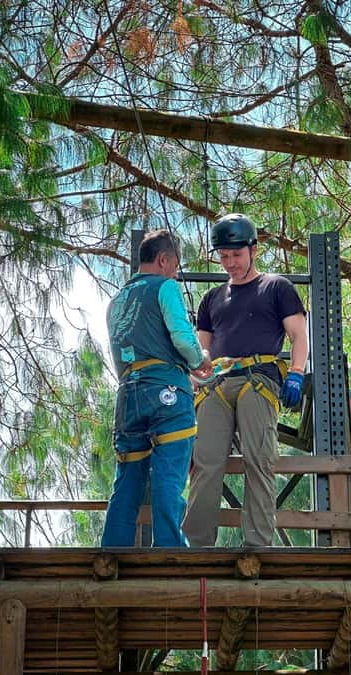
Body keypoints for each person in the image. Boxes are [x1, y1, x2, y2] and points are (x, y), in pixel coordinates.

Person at [183, 213, 309, 547]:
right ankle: (197, 546)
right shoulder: (212, 299)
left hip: (258, 380)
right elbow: (203, 349)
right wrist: (195, 376)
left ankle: (257, 546)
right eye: (224, 256)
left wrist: (296, 373)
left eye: (236, 254)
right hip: (217, 386)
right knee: (205, 462)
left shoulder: (276, 287)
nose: (230, 263)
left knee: (259, 460)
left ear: (254, 249)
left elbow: (298, 335)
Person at [102, 230, 212, 547]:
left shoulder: (116, 301)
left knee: (127, 482)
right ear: (164, 260)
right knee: (169, 477)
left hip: (128, 394)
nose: (175, 273)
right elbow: (182, 336)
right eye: (175, 266)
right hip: (167, 392)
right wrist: (199, 360)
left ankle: (112, 552)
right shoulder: (165, 287)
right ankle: (169, 549)